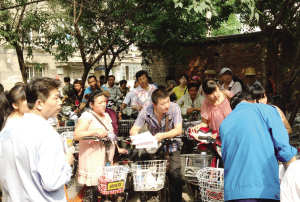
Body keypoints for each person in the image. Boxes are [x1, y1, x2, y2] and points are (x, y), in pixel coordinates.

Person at [0, 77, 74, 202]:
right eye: (56, 98)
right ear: (39, 104)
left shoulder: (7, 131)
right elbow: (51, 182)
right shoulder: (47, 135)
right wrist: (67, 163)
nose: (60, 102)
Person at [220, 92, 296, 202]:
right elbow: (284, 149)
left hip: (232, 194)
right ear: (254, 101)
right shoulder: (266, 109)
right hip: (263, 191)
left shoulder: (224, 123)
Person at [129, 88, 183, 202]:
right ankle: (148, 196)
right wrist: (140, 140)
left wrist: (163, 135)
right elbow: (134, 130)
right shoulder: (146, 110)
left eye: (168, 101)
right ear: (154, 104)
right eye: (163, 104)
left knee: (175, 176)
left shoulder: (174, 108)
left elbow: (178, 130)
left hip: (171, 145)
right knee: (143, 168)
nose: (167, 105)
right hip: (152, 146)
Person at [73, 91, 127, 186]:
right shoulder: (87, 116)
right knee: (95, 186)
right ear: (91, 104)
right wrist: (95, 131)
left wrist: (117, 148)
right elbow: (76, 135)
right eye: (99, 103)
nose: (103, 105)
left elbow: (111, 135)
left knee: (106, 185)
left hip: (106, 157)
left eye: (104, 102)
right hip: (92, 157)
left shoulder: (106, 115)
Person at [0, 84, 29, 202]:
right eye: (28, 100)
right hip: (22, 191)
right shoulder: (20, 127)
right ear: (15, 105)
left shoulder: (10, 123)